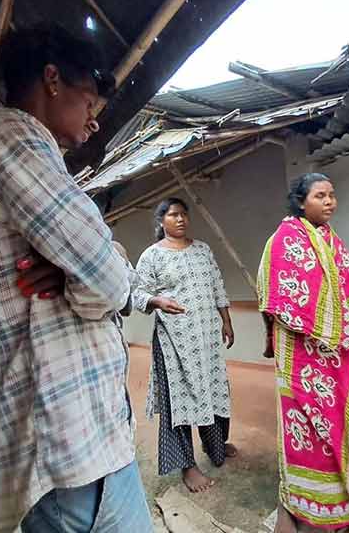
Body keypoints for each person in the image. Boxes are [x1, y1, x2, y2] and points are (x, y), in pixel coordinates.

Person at [0, 24, 151, 533]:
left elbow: (98, 261)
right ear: (52, 79)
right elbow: (110, 281)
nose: (93, 123)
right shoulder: (8, 136)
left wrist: (86, 265)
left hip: (58, 445)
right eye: (90, 104)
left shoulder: (3, 147)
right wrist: (96, 267)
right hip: (68, 442)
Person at [258, 173, 349, 533]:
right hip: (301, 355)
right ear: (301, 202)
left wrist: (341, 333)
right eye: (320, 196)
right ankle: (301, 503)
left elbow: (347, 292)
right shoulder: (283, 240)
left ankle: (346, 504)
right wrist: (325, 327)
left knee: (341, 420)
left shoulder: (334, 242)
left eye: (332, 195)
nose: (329, 202)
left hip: (340, 355)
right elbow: (279, 294)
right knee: (306, 429)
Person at [132, 198, 236, 493]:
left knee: (213, 389)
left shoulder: (202, 249)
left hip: (207, 341)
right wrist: (156, 301)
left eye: (183, 214)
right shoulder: (152, 256)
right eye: (173, 215)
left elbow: (217, 286)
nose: (180, 219)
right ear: (161, 221)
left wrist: (225, 321)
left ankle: (216, 445)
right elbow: (137, 293)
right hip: (174, 343)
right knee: (180, 401)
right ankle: (188, 465)